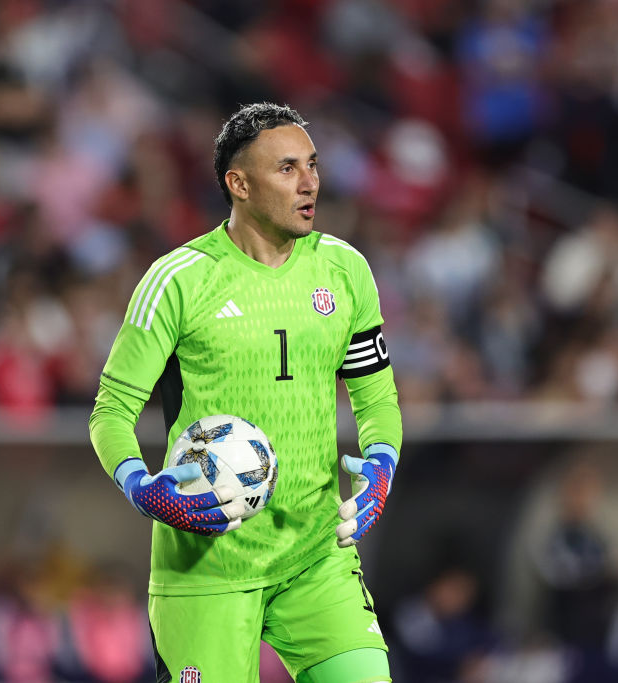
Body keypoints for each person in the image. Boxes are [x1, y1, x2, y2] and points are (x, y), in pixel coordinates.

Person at [89, 102, 402, 683]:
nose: (310, 183)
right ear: (239, 184)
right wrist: (141, 488)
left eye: (312, 164)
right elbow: (109, 414)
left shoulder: (345, 271)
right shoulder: (178, 280)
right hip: (207, 566)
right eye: (287, 169)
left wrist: (382, 463)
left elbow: (376, 397)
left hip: (316, 557)